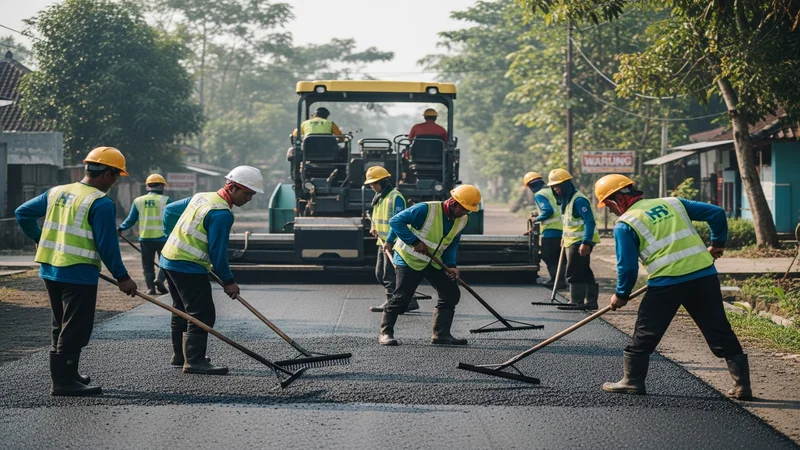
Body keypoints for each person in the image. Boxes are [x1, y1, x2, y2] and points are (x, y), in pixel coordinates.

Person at [595, 174, 751, 400]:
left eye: (608, 206)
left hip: (667, 283)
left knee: (645, 332)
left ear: (617, 199)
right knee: (719, 329)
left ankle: (632, 381)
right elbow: (716, 213)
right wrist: (717, 244)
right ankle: (742, 385)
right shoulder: (672, 203)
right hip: (703, 277)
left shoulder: (625, 224)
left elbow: (627, 268)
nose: (610, 211)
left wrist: (621, 294)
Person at [15, 146, 137, 396]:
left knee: (60, 323)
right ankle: (63, 382)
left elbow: (22, 213)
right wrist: (122, 277)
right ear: (107, 174)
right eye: (116, 176)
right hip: (78, 274)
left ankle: (68, 374)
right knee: (76, 327)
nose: (114, 182)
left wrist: (38, 237)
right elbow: (107, 246)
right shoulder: (100, 202)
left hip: (50, 269)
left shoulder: (57, 192)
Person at [160, 166, 264, 375]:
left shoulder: (202, 197)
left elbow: (170, 210)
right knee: (202, 313)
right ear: (232, 187)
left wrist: (172, 237)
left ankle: (180, 356)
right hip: (188, 265)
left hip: (169, 258)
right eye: (247, 193)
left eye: (252, 194)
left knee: (180, 308)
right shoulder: (222, 214)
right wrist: (228, 281)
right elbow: (218, 252)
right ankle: (195, 361)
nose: (249, 199)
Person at [378, 184, 481, 346]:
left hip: (433, 260)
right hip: (409, 258)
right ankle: (386, 332)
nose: (465, 213)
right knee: (402, 298)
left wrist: (451, 264)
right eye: (463, 209)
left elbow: (452, 242)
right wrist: (414, 242)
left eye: (468, 210)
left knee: (451, 293)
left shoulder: (462, 219)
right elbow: (396, 221)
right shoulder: (425, 210)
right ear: (453, 203)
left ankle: (441, 334)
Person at [363, 166, 417, 313]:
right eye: (371, 184)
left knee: (389, 275)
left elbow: (397, 221)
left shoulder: (395, 197)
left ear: (384, 181)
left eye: (374, 183)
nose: (372, 187)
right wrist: (374, 226)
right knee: (380, 274)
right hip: (383, 241)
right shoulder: (380, 197)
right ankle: (408, 300)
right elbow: (377, 216)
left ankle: (392, 302)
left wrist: (390, 241)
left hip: (393, 242)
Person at [546, 169, 601, 310]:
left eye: (558, 186)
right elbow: (569, 223)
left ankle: (576, 301)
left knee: (573, 271)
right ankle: (591, 302)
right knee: (584, 270)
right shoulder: (567, 200)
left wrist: (586, 242)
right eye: (554, 187)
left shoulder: (579, 200)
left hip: (580, 242)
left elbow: (589, 222)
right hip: (572, 241)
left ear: (566, 184)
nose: (556, 189)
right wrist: (564, 238)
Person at [118, 174, 171, 295]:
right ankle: (160, 279)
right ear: (162, 186)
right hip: (163, 238)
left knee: (147, 265)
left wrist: (121, 228)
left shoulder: (138, 201)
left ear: (147, 186)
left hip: (145, 238)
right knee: (166, 262)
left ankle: (150, 288)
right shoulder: (166, 200)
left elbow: (131, 219)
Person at [523, 171, 566, 289]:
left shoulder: (539, 194)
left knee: (548, 255)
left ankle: (557, 280)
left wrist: (536, 218)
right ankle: (561, 280)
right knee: (559, 256)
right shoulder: (552, 190)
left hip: (551, 231)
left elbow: (548, 211)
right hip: (563, 229)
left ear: (530, 186)